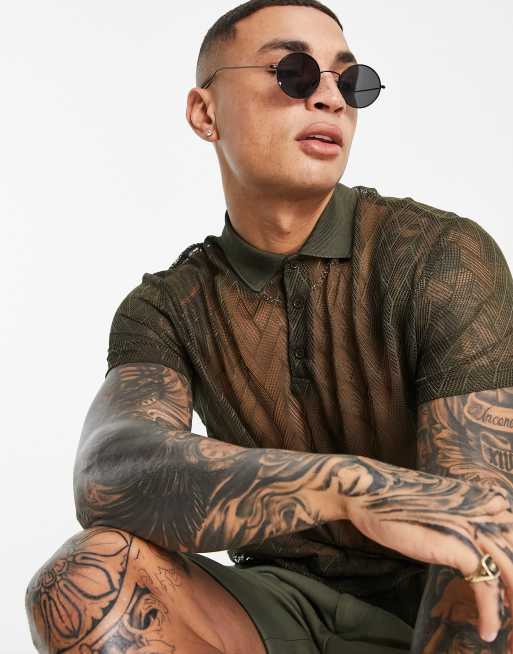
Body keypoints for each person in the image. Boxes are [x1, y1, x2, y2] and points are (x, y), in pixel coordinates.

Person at [25, 1, 513, 652]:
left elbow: (484, 523)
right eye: (294, 73)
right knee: (81, 583)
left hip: (438, 608)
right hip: (278, 606)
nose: (330, 99)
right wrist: (351, 489)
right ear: (205, 113)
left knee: (495, 565)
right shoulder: (167, 307)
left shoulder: (438, 257)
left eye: (350, 81)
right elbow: (109, 474)